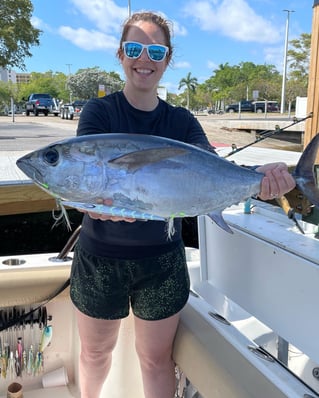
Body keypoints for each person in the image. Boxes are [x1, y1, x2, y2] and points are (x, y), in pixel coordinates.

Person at [70, 11, 296, 398]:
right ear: (120, 54)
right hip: (100, 258)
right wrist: (89, 204)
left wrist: (260, 180)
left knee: (157, 361)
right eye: (134, 48)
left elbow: (212, 171)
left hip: (163, 262)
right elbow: (84, 178)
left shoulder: (182, 120)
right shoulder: (100, 113)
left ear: (167, 59)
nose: (145, 58)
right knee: (93, 353)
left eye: (155, 50)